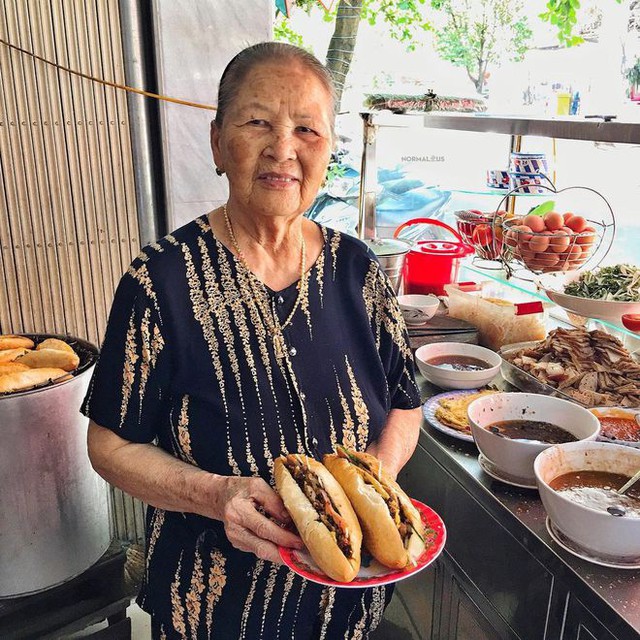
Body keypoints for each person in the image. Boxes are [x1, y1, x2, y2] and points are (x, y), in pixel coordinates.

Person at [84, 42, 422, 639]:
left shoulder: (358, 270)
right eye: (258, 122)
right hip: (211, 610)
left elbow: (403, 401)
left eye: (307, 129)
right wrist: (216, 495)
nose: (283, 149)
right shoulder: (160, 281)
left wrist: (376, 482)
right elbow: (109, 445)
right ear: (218, 143)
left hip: (348, 611)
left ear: (330, 148)